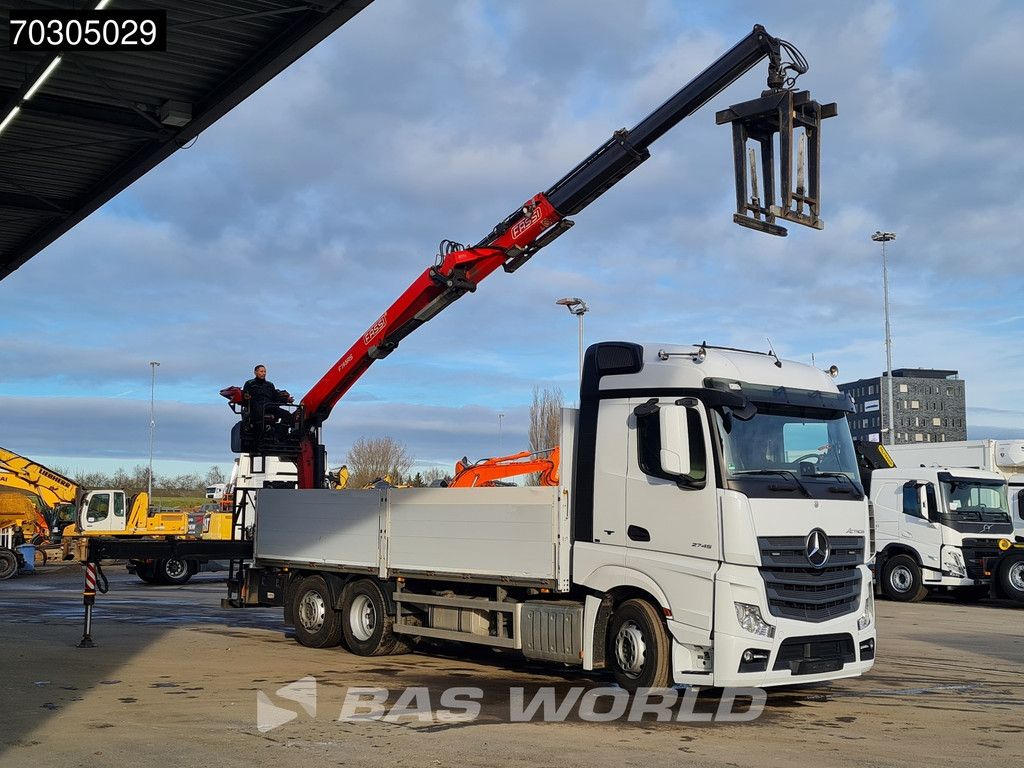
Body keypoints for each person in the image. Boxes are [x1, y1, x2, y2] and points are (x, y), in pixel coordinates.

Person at [243, 364, 294, 430]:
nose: (263, 373)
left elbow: (276, 396)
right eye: (261, 371)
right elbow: (245, 394)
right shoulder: (249, 383)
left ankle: (280, 434)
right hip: (256, 406)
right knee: (258, 415)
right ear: (255, 372)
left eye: (265, 372)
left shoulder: (269, 384)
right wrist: (247, 396)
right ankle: (259, 435)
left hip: (269, 405)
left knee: (287, 415)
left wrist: (286, 400)